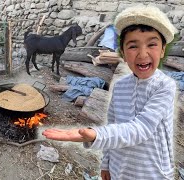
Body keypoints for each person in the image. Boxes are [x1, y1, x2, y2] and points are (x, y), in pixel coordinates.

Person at [42, 6, 178, 180]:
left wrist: (97, 135)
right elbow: (112, 123)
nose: (143, 54)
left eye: (151, 44)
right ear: (122, 53)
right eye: (133, 46)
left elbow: (142, 128)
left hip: (152, 172)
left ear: (162, 50)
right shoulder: (120, 86)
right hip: (119, 169)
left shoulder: (165, 86)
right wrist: (106, 163)